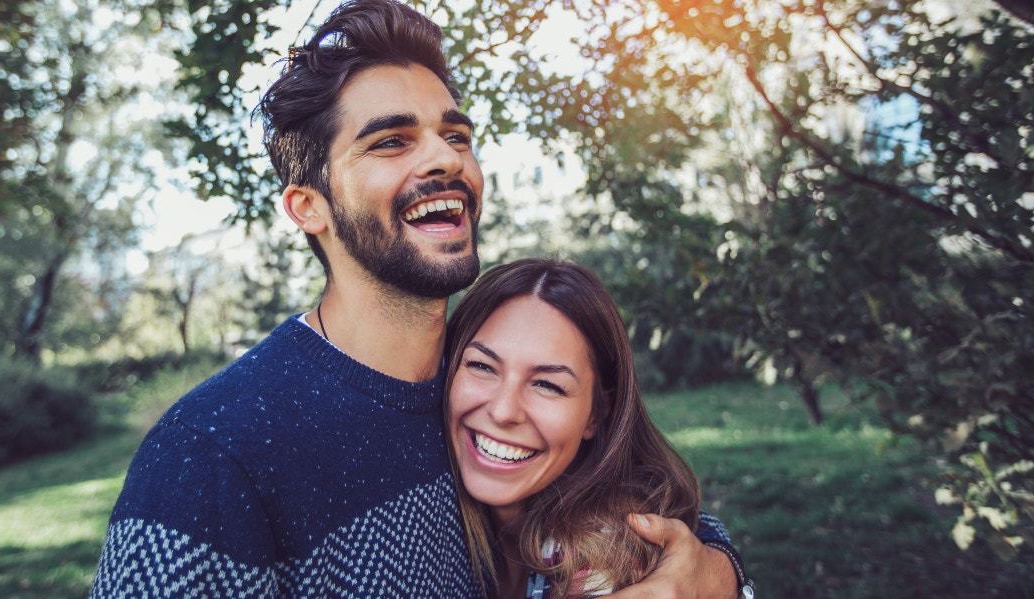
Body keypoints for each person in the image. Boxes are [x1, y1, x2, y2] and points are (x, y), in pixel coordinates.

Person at [90, 1, 748, 597]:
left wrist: (715, 568)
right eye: (390, 141)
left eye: (456, 136)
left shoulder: (479, 390)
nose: (445, 159)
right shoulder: (210, 451)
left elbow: (627, 492)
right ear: (309, 206)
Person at [444, 258, 753, 599]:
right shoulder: (425, 492)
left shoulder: (608, 568)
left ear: (596, 413)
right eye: (481, 365)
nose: (503, 411)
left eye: (548, 385)